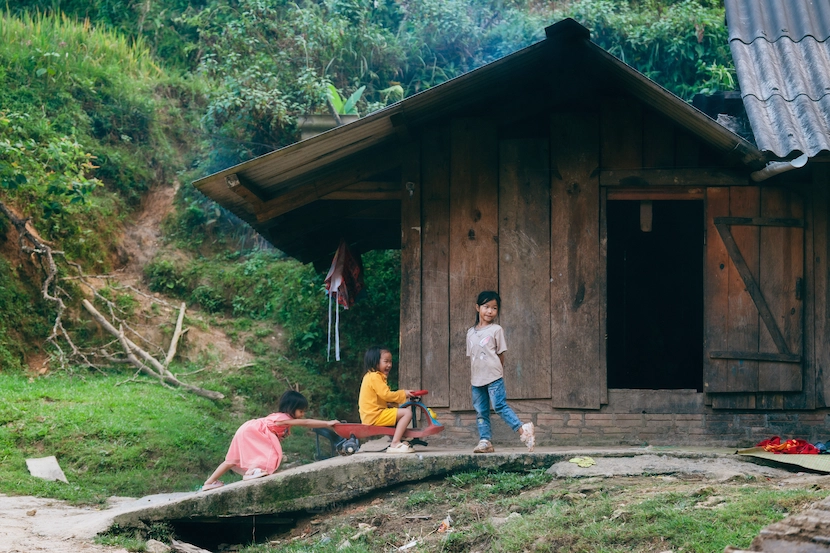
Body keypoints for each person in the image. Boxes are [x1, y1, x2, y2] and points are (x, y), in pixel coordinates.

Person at [201, 390, 338, 491]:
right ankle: (251, 472)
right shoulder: (282, 418)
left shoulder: (280, 418)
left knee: (232, 460)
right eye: (301, 411)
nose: (302, 414)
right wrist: (327, 423)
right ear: (291, 408)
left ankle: (210, 482)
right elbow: (306, 422)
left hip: (247, 429)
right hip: (254, 432)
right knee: (270, 452)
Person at [467, 290, 535, 453]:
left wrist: (497, 372)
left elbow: (500, 355)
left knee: (499, 406)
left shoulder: (496, 330)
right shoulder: (470, 332)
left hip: (494, 377)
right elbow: (472, 357)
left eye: (494, 308)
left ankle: (523, 431)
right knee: (481, 411)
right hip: (476, 379)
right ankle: (485, 441)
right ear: (478, 308)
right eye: (486, 306)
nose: (490, 311)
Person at [359, 345, 416, 454]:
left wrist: (392, 403)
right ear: (375, 362)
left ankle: (396, 439)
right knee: (407, 413)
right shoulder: (375, 377)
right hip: (375, 415)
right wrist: (403, 394)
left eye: (390, 362)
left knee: (395, 410)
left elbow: (382, 398)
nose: (389, 365)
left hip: (371, 414)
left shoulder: (371, 376)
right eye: (386, 361)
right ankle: (395, 443)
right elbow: (386, 395)